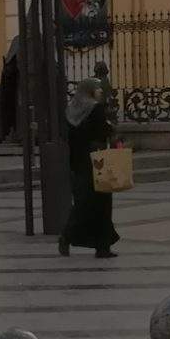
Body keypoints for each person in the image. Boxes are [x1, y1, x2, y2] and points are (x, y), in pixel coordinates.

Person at [57, 75, 119, 259]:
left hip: (78, 163)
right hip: (97, 161)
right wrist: (111, 128)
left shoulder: (71, 111)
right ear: (90, 90)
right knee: (101, 204)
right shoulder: (96, 109)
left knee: (83, 204)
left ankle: (71, 238)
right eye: (98, 88)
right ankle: (100, 245)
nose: (101, 91)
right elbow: (103, 132)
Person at [0, 34, 23, 143]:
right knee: (18, 108)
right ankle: (17, 133)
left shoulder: (39, 39)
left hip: (32, 83)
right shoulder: (18, 40)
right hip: (19, 84)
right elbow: (10, 65)